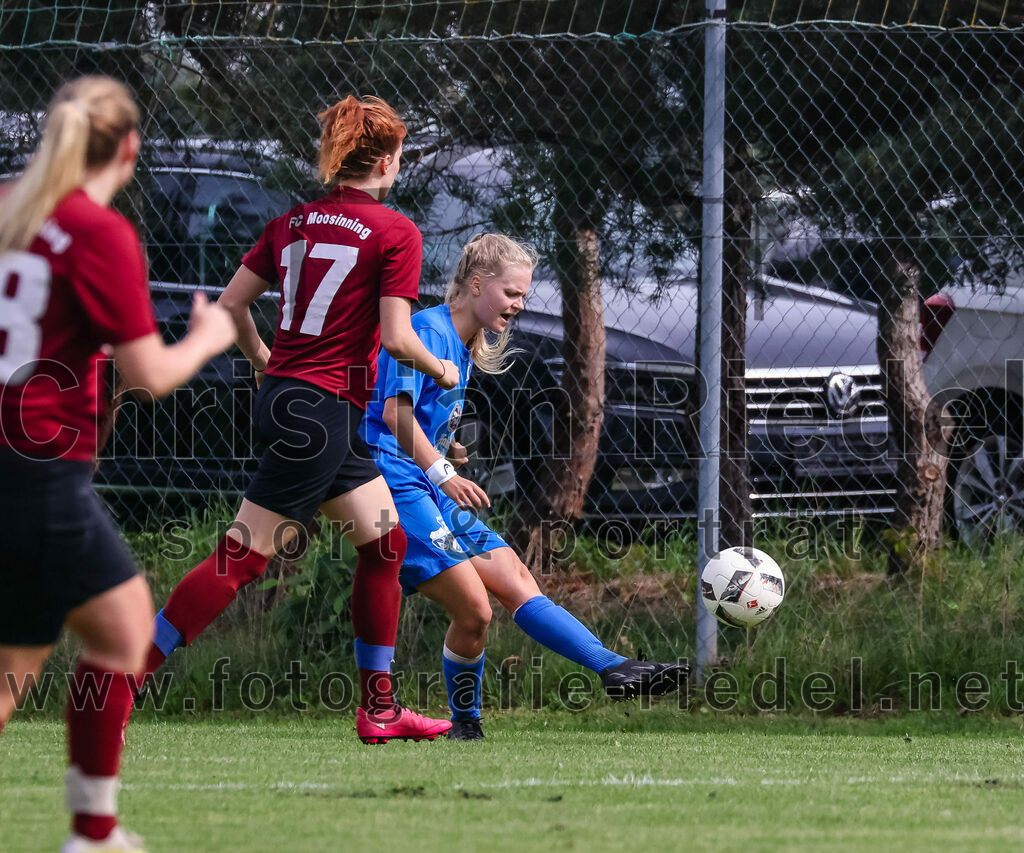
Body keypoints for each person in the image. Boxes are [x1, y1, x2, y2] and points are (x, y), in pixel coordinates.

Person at [138, 94, 455, 744]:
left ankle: (380, 708)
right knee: (242, 558)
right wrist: (442, 368)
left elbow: (229, 306)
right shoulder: (397, 231)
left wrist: (264, 357)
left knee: (384, 542)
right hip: (321, 409)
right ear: (389, 159)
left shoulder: (295, 222)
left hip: (299, 400)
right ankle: (123, 678)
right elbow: (397, 337)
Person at [0, 76, 237, 853]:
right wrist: (208, 334)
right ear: (130, 149)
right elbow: (147, 376)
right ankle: (93, 834)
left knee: (14, 662)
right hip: (37, 470)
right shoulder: (97, 233)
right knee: (126, 630)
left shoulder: (9, 210)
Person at [361, 233, 688, 741]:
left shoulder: (465, 344)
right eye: (511, 293)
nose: (519, 305)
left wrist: (447, 451)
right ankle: (459, 722)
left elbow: (422, 419)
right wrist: (444, 472)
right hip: (398, 488)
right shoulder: (425, 329)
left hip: (427, 482)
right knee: (475, 607)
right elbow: (392, 413)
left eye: (523, 296)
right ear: (476, 284)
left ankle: (613, 669)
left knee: (514, 578)